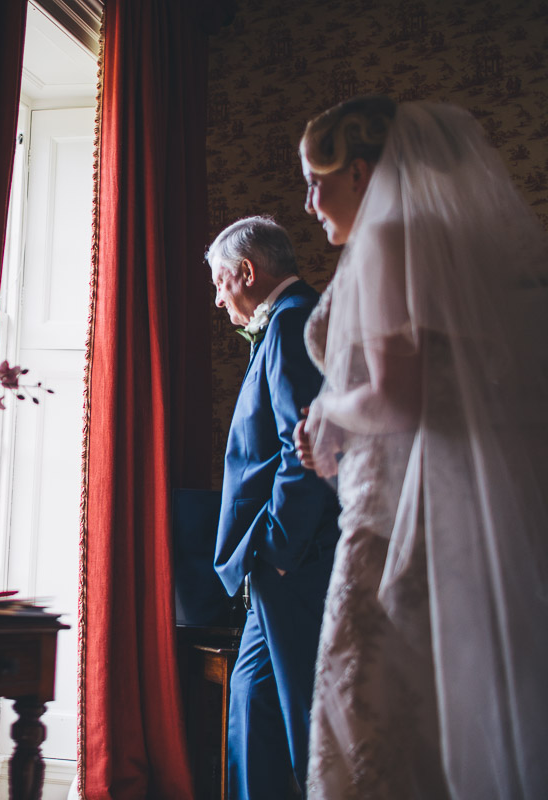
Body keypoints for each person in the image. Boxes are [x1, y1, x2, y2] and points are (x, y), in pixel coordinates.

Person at [295, 96, 548, 799]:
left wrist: (327, 412)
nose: (310, 202)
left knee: (369, 717)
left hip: (391, 525)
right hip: (459, 511)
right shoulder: (461, 245)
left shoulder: (385, 240)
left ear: (360, 173)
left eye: (317, 181)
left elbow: (398, 397)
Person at [207, 216, 341, 799]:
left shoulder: (291, 322)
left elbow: (302, 447)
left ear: (246, 271)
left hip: (295, 558)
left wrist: (279, 550)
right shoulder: (294, 318)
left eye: (220, 282)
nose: (218, 299)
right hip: (278, 560)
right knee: (252, 702)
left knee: (305, 714)